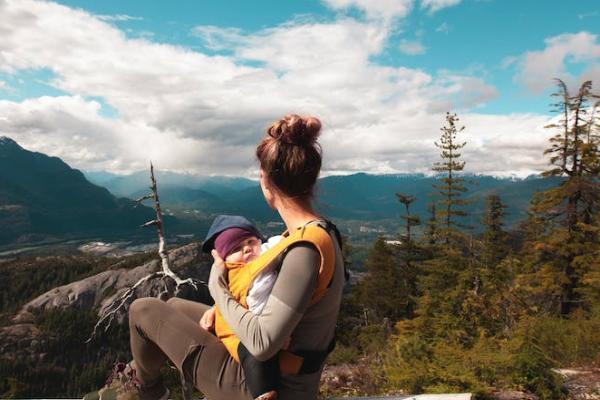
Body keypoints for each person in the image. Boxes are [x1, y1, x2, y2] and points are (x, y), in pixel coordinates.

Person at [120, 114, 345, 400]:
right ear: (312, 179)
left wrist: (218, 285)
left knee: (143, 310)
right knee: (174, 305)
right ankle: (143, 381)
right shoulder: (318, 232)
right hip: (277, 370)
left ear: (266, 181)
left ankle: (147, 391)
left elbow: (262, 343)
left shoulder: (304, 251)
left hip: (265, 386)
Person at [199, 214, 284, 400]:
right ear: (226, 258)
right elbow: (236, 293)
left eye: (251, 241)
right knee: (250, 353)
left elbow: (280, 242)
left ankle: (265, 390)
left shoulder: (265, 255)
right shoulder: (234, 273)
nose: (247, 249)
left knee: (257, 350)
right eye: (236, 248)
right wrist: (216, 308)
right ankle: (263, 392)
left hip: (260, 327)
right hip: (238, 330)